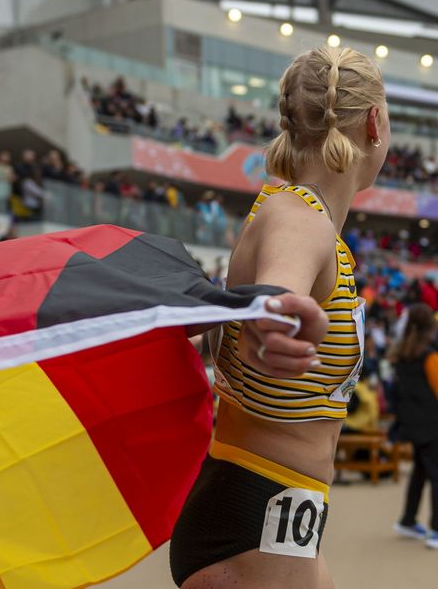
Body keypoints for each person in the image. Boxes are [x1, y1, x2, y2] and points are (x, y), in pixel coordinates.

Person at [170, 46, 390, 588]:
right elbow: (278, 291)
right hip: (256, 514)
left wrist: (269, 317)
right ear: (375, 123)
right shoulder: (300, 219)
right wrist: (273, 320)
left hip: (271, 511)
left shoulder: (293, 214)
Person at [391, 304, 438, 549]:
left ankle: (408, 520)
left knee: (420, 472)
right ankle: (436, 530)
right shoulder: (429, 357)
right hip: (432, 425)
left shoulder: (400, 356)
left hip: (412, 424)